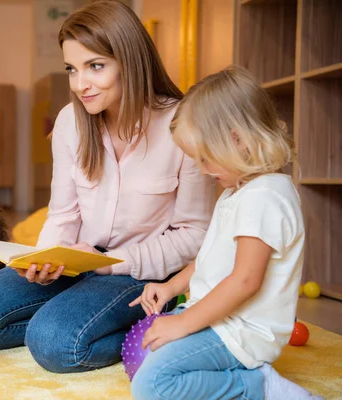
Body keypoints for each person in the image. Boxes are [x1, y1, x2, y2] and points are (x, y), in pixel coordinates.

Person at [0, 0, 214, 373]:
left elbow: (194, 233)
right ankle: (71, 315)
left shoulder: (182, 124)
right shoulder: (70, 123)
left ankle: (153, 319)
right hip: (77, 262)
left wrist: (114, 265)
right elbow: (63, 213)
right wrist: (43, 259)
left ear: (130, 59)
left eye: (95, 66)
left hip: (141, 272)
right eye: (72, 69)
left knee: (55, 344)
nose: (80, 85)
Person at [129, 66, 322, 400]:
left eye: (206, 158)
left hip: (241, 333)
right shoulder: (239, 191)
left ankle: (258, 386)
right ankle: (240, 374)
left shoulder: (265, 196)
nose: (202, 170)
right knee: (149, 355)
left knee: (152, 385)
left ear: (238, 140)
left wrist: (183, 323)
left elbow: (245, 280)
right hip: (220, 320)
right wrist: (171, 287)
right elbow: (209, 261)